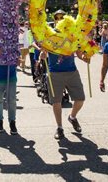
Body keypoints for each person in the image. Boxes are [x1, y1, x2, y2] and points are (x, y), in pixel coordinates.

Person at [45, 10, 89, 140]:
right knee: (56, 102)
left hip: (71, 71)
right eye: (57, 18)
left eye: (62, 17)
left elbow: (79, 53)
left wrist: (85, 57)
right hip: (54, 73)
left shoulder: (72, 35)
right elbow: (42, 47)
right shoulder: (50, 34)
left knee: (80, 99)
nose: (59, 20)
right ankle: (59, 127)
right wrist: (42, 53)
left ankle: (72, 117)